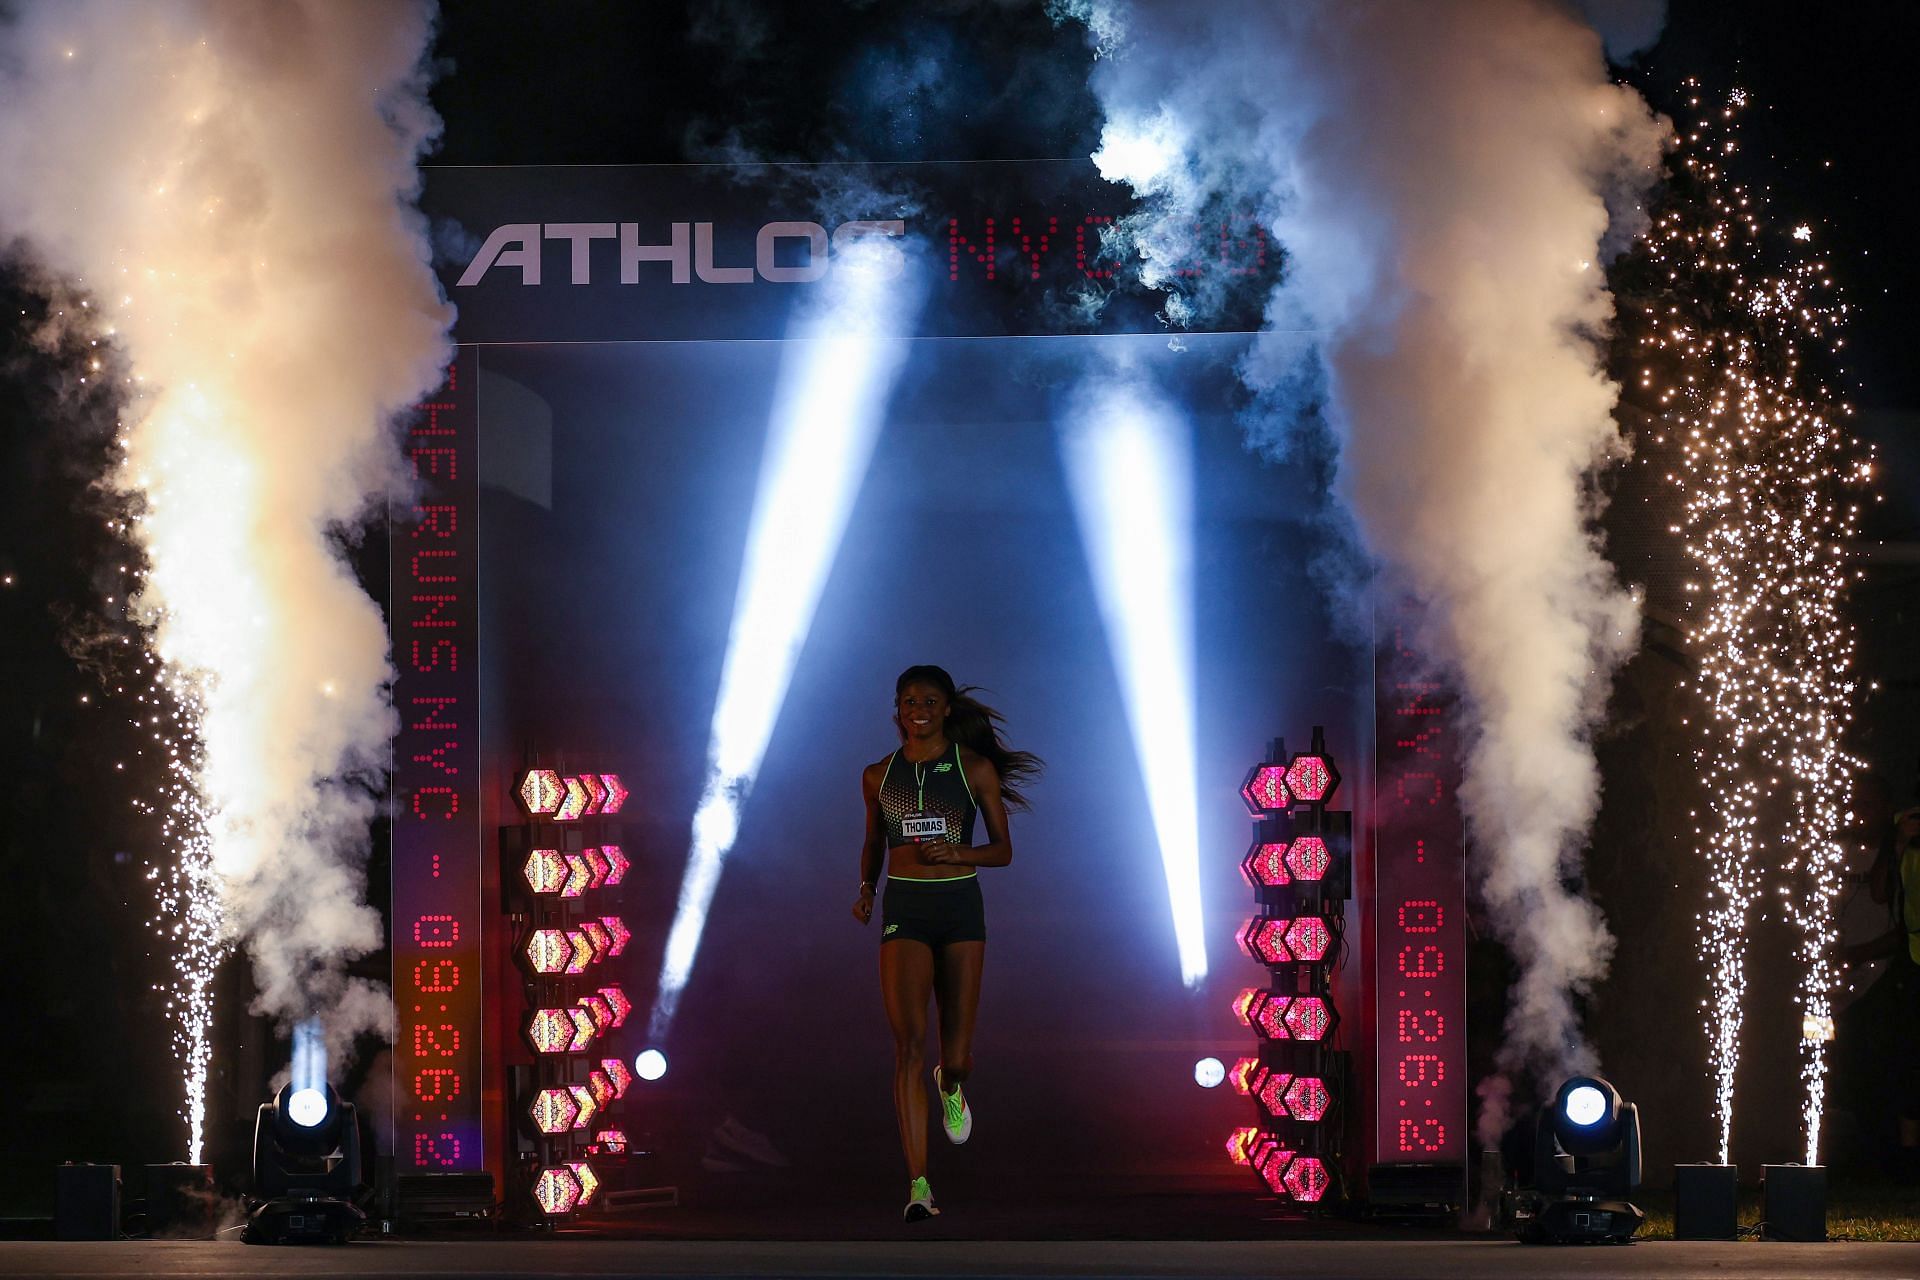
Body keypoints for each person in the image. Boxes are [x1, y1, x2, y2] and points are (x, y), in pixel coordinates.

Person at [851, 665, 1041, 1222]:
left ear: (947, 708)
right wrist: (866, 889)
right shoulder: (877, 775)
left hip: (959, 907)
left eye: (930, 701)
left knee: (953, 1053)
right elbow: (873, 840)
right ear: (897, 708)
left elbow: (1003, 850)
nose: (919, 709)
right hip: (905, 910)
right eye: (909, 701)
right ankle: (919, 1186)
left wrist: (960, 853)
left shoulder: (972, 768)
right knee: (907, 1047)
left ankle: (951, 1082)